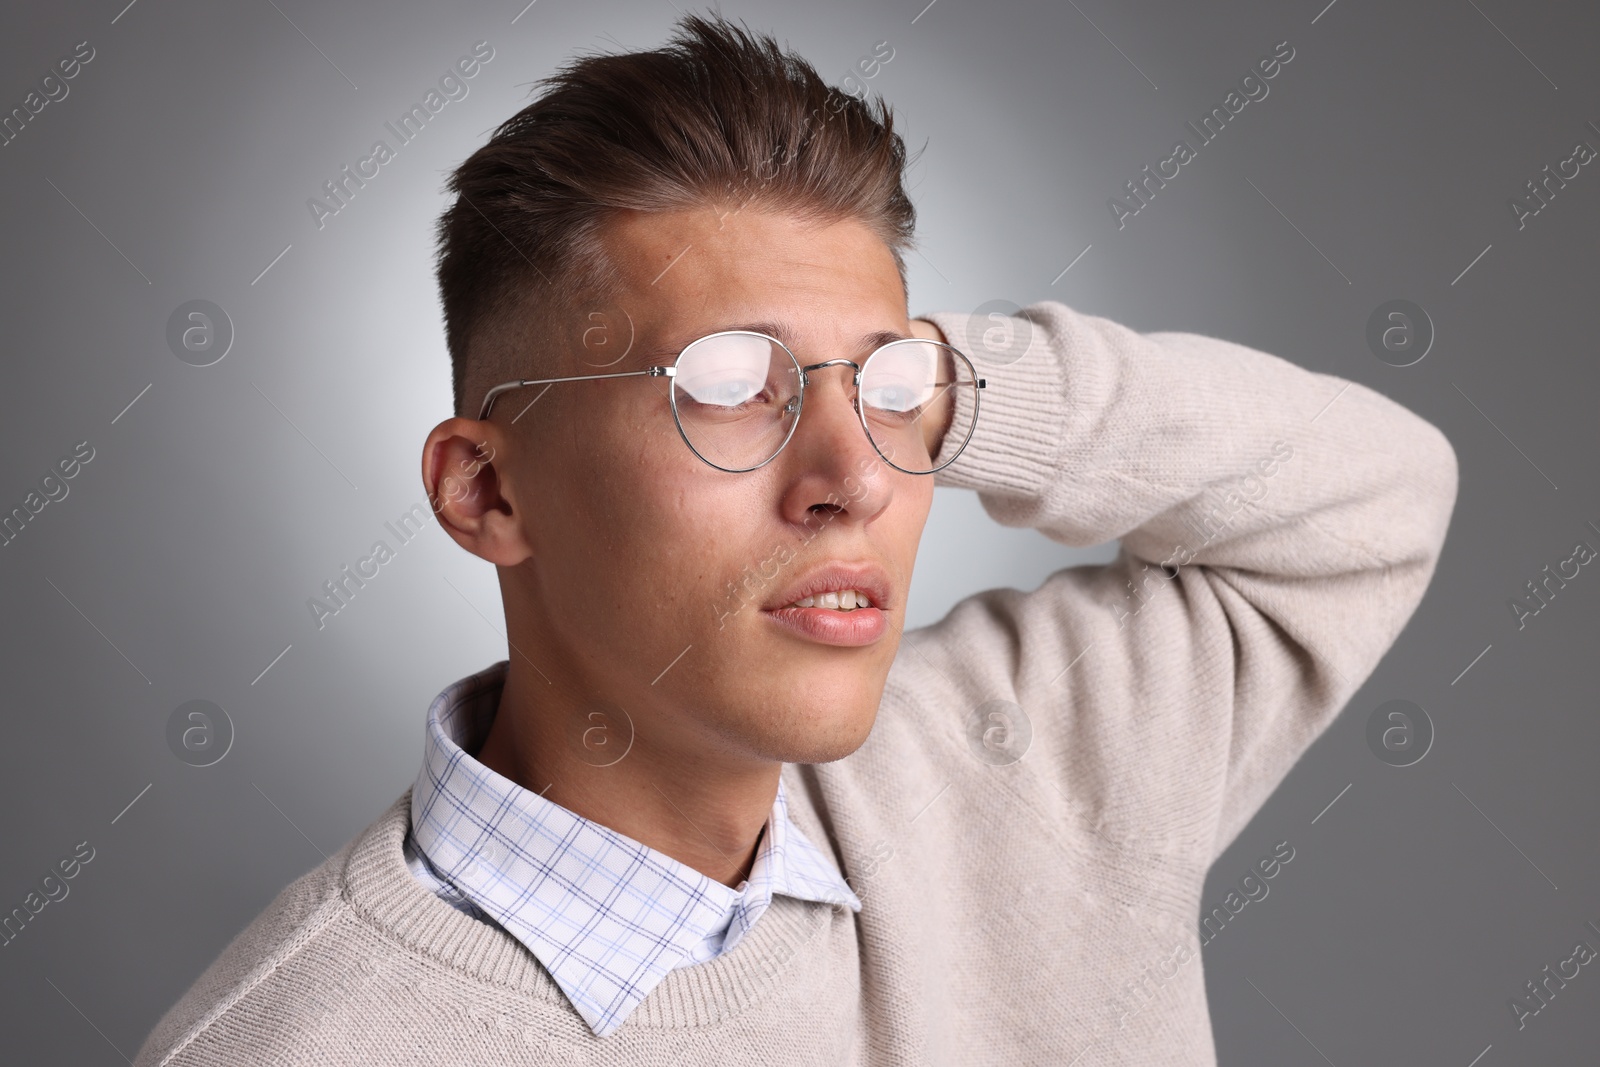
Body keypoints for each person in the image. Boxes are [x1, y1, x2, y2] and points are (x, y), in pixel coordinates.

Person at [135, 13, 1458, 1066]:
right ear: (489, 494)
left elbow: (1369, 502)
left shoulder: (1027, 764)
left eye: (891, 401)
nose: (851, 482)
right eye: (724, 388)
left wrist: (953, 383)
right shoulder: (299, 1046)